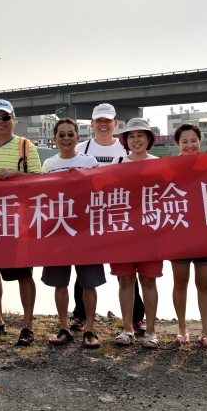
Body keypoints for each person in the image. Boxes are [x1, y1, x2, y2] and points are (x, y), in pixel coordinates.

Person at [0, 99, 42, 347]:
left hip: (17, 221)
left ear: (14, 120)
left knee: (23, 273)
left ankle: (27, 326)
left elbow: (40, 181)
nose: (0, 122)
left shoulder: (25, 146)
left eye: (5, 117)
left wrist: (16, 175)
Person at [75, 103, 146, 336]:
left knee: (128, 269)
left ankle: (136, 318)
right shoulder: (81, 148)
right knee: (84, 268)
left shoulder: (126, 147)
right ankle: (80, 315)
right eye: (99, 121)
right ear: (92, 124)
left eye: (108, 120)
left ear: (116, 123)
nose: (103, 125)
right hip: (91, 216)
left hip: (121, 214)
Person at [38, 118, 104, 349]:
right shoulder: (49, 164)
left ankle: (90, 329)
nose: (66, 138)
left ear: (78, 137)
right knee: (60, 282)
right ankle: (64, 327)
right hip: (59, 229)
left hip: (85, 228)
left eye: (70, 134)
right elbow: (41, 195)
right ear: (55, 138)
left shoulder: (89, 161)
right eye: (61, 134)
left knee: (89, 282)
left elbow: (100, 190)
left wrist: (82, 178)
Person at [110, 118, 163, 348]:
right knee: (125, 281)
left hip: (150, 232)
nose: (136, 140)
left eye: (141, 135)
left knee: (149, 281)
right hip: (123, 231)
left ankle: (151, 332)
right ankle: (127, 329)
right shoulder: (117, 162)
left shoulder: (159, 164)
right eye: (131, 136)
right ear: (126, 141)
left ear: (149, 139)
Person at [170, 124, 207, 349]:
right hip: (178, 233)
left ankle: (206, 332)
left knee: (204, 285)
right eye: (184, 141)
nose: (189, 145)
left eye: (193, 141)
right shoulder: (169, 167)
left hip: (206, 235)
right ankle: (182, 328)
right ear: (177, 144)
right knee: (180, 283)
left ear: (200, 142)